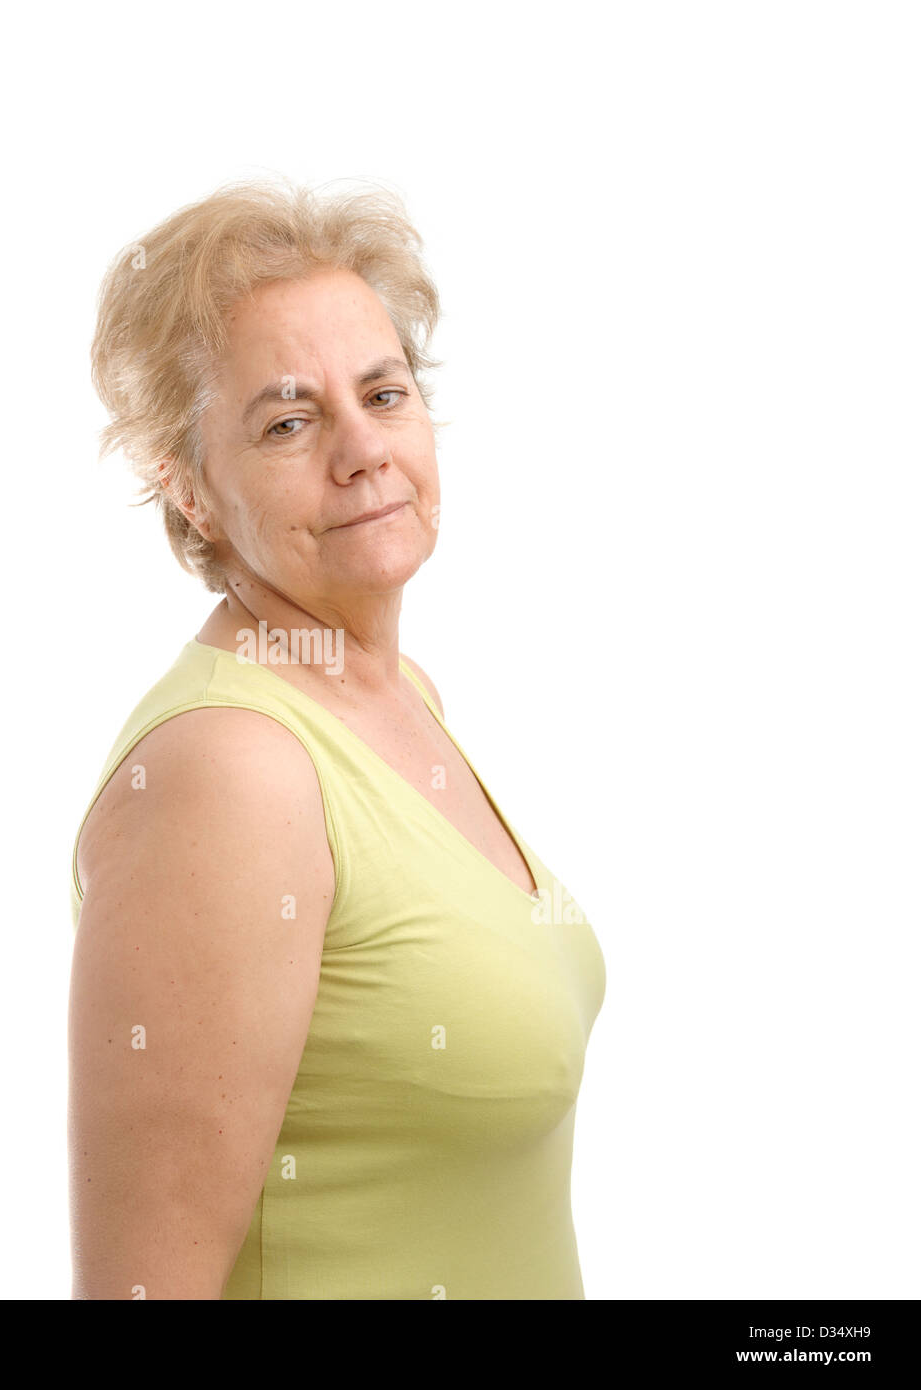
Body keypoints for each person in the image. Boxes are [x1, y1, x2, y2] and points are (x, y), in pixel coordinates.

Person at [67, 176, 606, 1299]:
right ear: (190, 489)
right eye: (288, 420)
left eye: (383, 392)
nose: (362, 450)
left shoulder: (399, 694)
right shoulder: (231, 771)